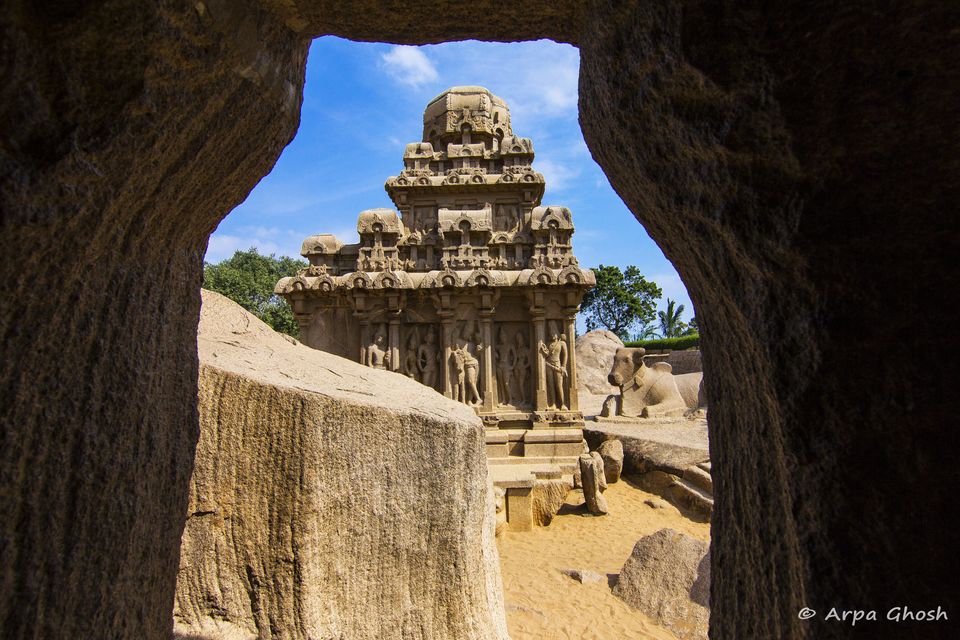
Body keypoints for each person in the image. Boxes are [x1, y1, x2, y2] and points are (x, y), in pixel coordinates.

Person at [539, 327, 568, 409]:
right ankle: (553, 403)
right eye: (550, 333)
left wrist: (563, 366)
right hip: (548, 365)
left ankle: (562, 404)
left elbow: (565, 355)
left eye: (553, 332)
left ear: (557, 333)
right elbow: (548, 355)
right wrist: (545, 351)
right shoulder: (549, 343)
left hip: (557, 365)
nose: (552, 334)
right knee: (550, 385)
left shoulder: (562, 343)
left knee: (559, 385)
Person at [495, 329, 516, 406]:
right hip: (499, 366)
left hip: (506, 366)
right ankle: (503, 399)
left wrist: (512, 366)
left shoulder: (510, 345)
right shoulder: (498, 346)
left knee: (506, 383)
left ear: (506, 336)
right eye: (500, 336)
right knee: (500, 383)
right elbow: (492, 350)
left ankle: (510, 399)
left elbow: (515, 356)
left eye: (503, 336)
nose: (502, 337)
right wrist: (496, 354)